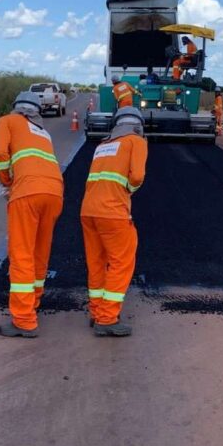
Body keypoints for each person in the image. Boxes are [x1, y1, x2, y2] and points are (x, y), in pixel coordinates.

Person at [0, 91, 64, 337]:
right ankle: (33, 304)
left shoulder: (7, 121)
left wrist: (7, 181)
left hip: (26, 193)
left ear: (16, 108)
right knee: (40, 251)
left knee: (22, 253)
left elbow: (1, 154)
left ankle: (24, 320)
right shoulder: (44, 133)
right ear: (37, 111)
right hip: (55, 193)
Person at [81, 106, 148, 336]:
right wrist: (128, 189)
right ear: (138, 125)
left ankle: (97, 312)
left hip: (88, 211)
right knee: (121, 262)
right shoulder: (136, 142)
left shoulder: (102, 146)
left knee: (96, 262)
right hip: (113, 212)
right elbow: (137, 176)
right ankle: (107, 318)